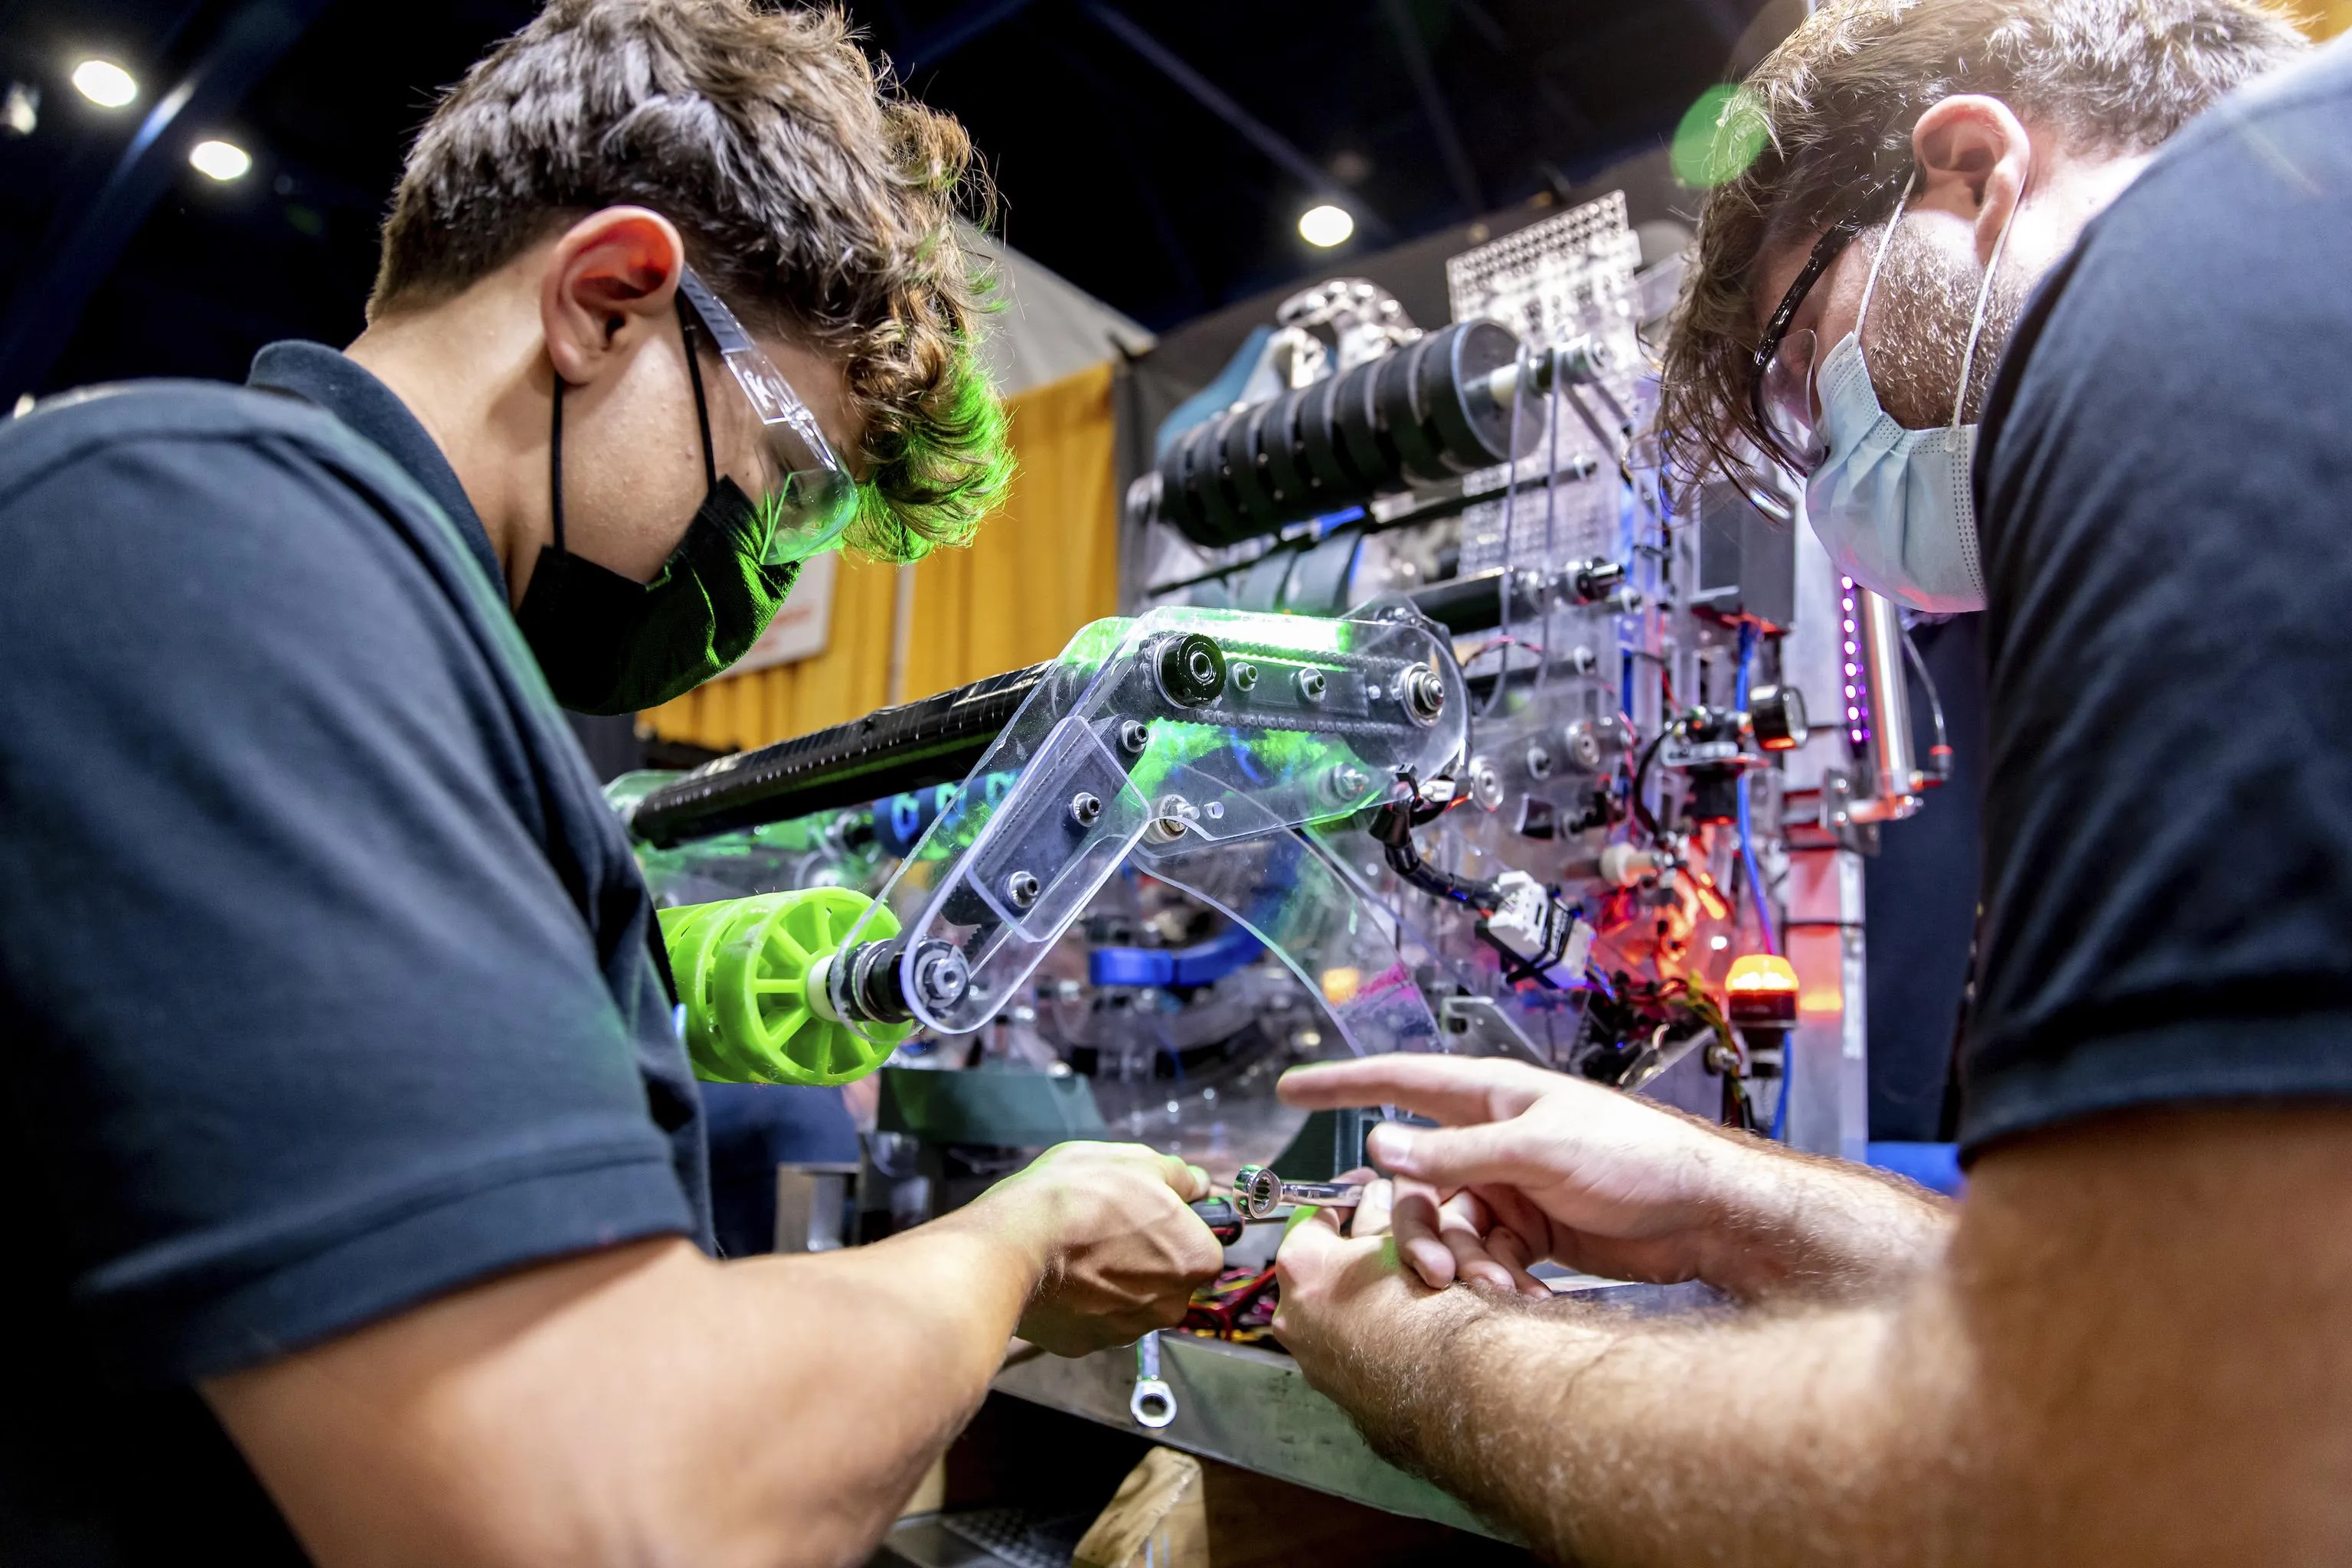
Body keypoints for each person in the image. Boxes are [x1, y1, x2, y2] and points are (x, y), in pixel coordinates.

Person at [0, 3, 1224, 1562]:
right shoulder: (208, 539)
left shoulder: (383, 628)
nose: (760, 582)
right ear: (609, 302)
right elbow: (613, 1505)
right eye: (782, 489)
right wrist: (1015, 1244)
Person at [1272, 2, 2352, 1563]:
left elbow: (2110, 1459)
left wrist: (1428, 1364)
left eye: (1799, 379)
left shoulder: (2191, 277)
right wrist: (1732, 1203)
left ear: (1973, 170)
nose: (1832, 478)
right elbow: (2243, 1300)